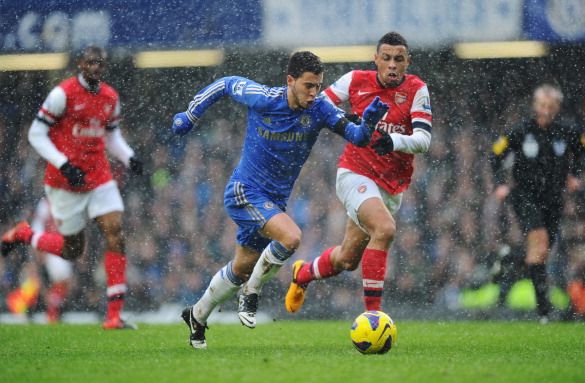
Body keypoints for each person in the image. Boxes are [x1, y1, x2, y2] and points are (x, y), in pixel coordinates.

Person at [171, 51, 389, 349]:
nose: (314, 93)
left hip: (273, 203)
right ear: (290, 80)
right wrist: (191, 113)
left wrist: (368, 125)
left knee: (241, 267)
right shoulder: (264, 98)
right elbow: (225, 83)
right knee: (291, 238)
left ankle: (197, 315)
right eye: (308, 86)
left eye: (318, 86)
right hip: (244, 192)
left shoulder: (321, 109)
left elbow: (357, 137)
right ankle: (252, 292)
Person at [280, 32, 432, 314]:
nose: (392, 65)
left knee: (347, 259)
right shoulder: (354, 80)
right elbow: (319, 104)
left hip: (390, 186)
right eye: (385, 58)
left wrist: (393, 141)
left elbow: (424, 139)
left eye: (398, 59)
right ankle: (373, 317)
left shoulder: (417, 90)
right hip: (355, 173)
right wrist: (341, 119)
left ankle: (302, 274)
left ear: (407, 62)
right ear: (376, 59)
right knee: (384, 230)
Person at [1, 46, 143, 329]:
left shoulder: (110, 98)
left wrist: (129, 157)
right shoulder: (62, 94)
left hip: (100, 178)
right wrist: (64, 164)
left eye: (99, 63)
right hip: (64, 182)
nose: (95, 67)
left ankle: (114, 315)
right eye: (90, 62)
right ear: (80, 64)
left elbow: (111, 136)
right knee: (71, 251)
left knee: (116, 232)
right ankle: (24, 233)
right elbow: (36, 133)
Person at [490, 84, 585, 323]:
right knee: (540, 243)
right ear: (535, 106)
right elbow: (495, 153)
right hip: (524, 196)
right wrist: (500, 184)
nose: (545, 110)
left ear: (556, 108)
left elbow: (583, 148)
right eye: (542, 105)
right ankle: (544, 311)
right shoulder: (522, 131)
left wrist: (574, 173)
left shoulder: (566, 132)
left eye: (550, 106)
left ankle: (509, 259)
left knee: (540, 253)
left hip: (553, 199)